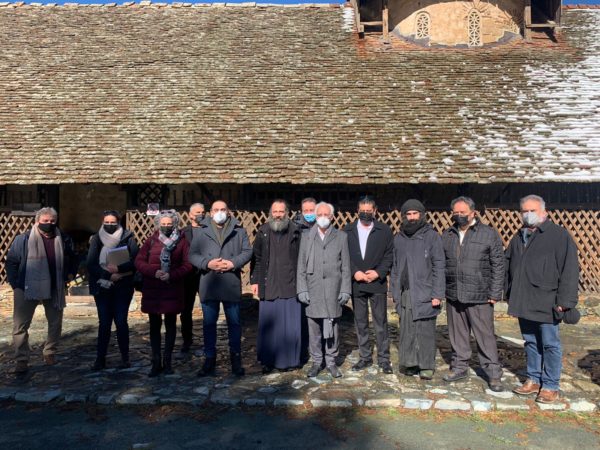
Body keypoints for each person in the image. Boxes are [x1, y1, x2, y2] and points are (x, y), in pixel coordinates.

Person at [506, 195, 579, 404]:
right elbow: (509, 264)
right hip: (524, 299)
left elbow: (570, 269)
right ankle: (533, 379)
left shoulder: (558, 235)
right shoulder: (519, 236)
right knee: (530, 342)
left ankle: (550, 385)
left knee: (550, 344)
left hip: (548, 300)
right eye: (524, 211)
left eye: (533, 210)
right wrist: (507, 293)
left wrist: (565, 300)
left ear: (544, 212)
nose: (528, 214)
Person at [441, 196, 504, 391]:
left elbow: (498, 264)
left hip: (480, 295)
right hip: (454, 293)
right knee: (457, 335)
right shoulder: (448, 234)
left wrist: (495, 292)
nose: (459, 215)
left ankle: (493, 373)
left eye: (463, 212)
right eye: (456, 212)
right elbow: (442, 263)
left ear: (473, 213)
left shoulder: (488, 234)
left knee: (485, 336)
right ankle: (459, 367)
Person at [6, 207, 78, 374]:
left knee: (55, 322)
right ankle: (21, 359)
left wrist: (70, 274)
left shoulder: (63, 239)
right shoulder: (23, 239)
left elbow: (73, 257)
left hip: (54, 286)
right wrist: (16, 284)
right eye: (45, 221)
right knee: (20, 325)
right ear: (37, 221)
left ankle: (50, 352)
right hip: (26, 286)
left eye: (52, 221)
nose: (49, 224)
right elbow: (11, 262)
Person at [189, 200, 252, 377]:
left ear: (228, 211)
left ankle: (236, 359)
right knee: (209, 324)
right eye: (216, 209)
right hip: (209, 282)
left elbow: (247, 251)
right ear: (210, 212)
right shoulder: (201, 231)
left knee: (235, 323)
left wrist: (233, 263)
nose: (219, 212)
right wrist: (207, 263)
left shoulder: (239, 230)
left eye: (223, 209)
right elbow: (192, 255)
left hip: (230, 281)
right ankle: (209, 359)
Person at [390, 199, 444, 380]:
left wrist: (437, 294)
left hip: (425, 291)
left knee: (425, 331)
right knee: (407, 329)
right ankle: (410, 363)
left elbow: (439, 266)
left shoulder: (432, 236)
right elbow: (395, 266)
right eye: (408, 214)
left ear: (422, 215)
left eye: (415, 213)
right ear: (403, 216)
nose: (412, 217)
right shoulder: (399, 238)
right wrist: (394, 291)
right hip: (406, 292)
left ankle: (426, 366)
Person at [297, 202, 351, 378]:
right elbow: (301, 266)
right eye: (319, 214)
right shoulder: (306, 236)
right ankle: (316, 361)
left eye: (326, 215)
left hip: (333, 289)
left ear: (332, 217)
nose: (322, 218)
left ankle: (331, 361)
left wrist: (345, 290)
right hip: (313, 288)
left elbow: (346, 267)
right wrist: (302, 289)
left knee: (332, 327)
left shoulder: (341, 237)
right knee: (313, 328)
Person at [135, 210, 192, 377]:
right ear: (158, 224)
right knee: (154, 327)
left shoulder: (182, 242)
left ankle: (167, 362)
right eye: (163, 224)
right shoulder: (151, 240)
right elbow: (139, 261)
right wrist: (154, 272)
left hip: (172, 288)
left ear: (175, 224)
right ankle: (156, 361)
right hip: (153, 288)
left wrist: (171, 275)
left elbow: (188, 264)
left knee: (171, 325)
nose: (166, 226)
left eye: (169, 224)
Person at [250, 200, 302, 373]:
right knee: (269, 325)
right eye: (275, 211)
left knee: (290, 326)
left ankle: (290, 361)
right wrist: (255, 281)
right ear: (270, 213)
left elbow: (302, 259)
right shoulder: (263, 231)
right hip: (269, 284)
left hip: (290, 285)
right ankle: (268, 361)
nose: (278, 215)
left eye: (281, 211)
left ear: (287, 213)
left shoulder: (296, 231)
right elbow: (256, 258)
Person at [344, 196, 394, 374]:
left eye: (369, 210)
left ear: (375, 211)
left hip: (377, 282)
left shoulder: (384, 230)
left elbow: (389, 255)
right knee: (361, 323)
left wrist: (379, 272)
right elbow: (344, 255)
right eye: (362, 210)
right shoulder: (347, 230)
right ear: (357, 210)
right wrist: (354, 272)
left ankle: (384, 358)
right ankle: (365, 357)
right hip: (357, 282)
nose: (365, 213)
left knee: (381, 322)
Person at [87, 210, 139, 371]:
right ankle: (100, 359)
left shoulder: (128, 238)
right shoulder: (96, 239)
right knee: (104, 323)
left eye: (113, 222)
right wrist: (109, 275)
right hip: (102, 286)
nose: (110, 225)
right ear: (102, 222)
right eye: (107, 222)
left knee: (121, 322)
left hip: (123, 286)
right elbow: (91, 264)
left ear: (118, 222)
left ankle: (125, 357)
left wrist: (119, 269)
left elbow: (136, 260)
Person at [178, 202, 205, 356]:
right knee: (186, 310)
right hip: (188, 276)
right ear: (190, 215)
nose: (200, 215)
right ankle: (187, 340)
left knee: (208, 308)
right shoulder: (182, 232)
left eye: (203, 212)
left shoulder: (210, 230)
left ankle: (208, 339)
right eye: (197, 212)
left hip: (205, 275)